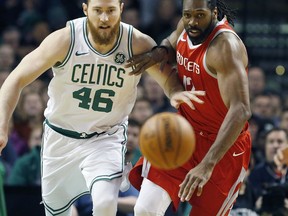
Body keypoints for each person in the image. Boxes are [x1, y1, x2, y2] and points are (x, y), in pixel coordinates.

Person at [0, 0, 205, 215]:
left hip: (105, 137)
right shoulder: (65, 39)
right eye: (98, 11)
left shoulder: (136, 43)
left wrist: (175, 92)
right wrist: (2, 125)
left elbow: (167, 79)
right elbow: (15, 79)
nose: (105, 18)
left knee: (105, 202)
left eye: (111, 11)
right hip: (60, 137)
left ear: (121, 9)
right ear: (86, 9)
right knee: (58, 211)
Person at [127, 0, 251, 215]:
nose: (192, 21)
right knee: (145, 209)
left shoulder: (224, 48)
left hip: (223, 147)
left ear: (214, 12)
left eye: (200, 15)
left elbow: (241, 110)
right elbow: (170, 43)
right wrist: (156, 56)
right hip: (184, 133)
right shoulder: (187, 24)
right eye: (187, 15)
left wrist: (207, 164)